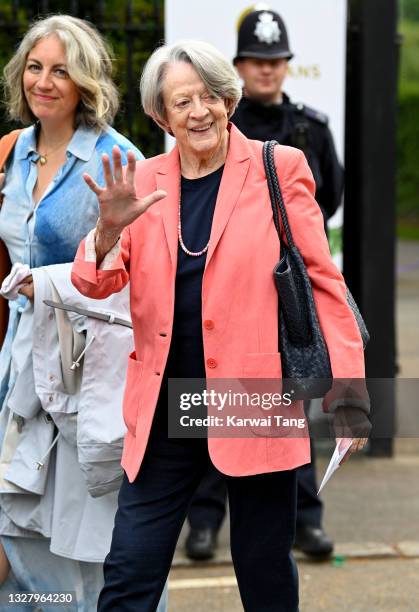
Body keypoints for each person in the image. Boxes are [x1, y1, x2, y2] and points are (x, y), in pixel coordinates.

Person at [71, 39, 368, 612]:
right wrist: (106, 233)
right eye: (181, 102)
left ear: (228, 99)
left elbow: (323, 281)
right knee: (129, 571)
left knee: (262, 574)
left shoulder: (277, 168)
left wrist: (350, 392)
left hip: (252, 399)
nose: (198, 111)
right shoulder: (142, 177)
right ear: (161, 115)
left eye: (209, 95)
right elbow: (94, 283)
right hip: (162, 407)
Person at [0, 15, 168, 612]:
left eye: (61, 70)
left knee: (96, 534)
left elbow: (145, 277)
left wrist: (45, 284)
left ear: (85, 82)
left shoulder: (116, 157)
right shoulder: (11, 151)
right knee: (23, 525)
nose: (43, 81)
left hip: (88, 368)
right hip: (19, 360)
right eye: (35, 67)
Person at [186, 7, 344, 561]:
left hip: (288, 295)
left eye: (276, 62)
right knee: (221, 406)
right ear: (239, 67)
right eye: (257, 61)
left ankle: (306, 521)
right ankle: (204, 522)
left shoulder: (312, 128)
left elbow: (329, 202)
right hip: (229, 290)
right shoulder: (220, 126)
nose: (267, 71)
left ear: (286, 67)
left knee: (292, 409)